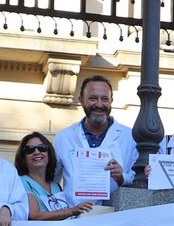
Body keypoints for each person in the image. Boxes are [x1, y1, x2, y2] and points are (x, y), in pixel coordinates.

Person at [55, 74, 137, 209]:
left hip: (115, 218)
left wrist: (121, 177)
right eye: (93, 98)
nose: (99, 104)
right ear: (81, 100)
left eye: (104, 99)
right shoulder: (64, 137)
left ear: (111, 100)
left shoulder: (131, 137)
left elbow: (139, 182)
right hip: (73, 220)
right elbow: (51, 183)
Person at [15, 131, 93, 221]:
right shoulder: (21, 181)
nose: (36, 152)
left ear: (49, 153)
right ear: (23, 158)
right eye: (29, 149)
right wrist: (71, 211)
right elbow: (34, 215)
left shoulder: (55, 185)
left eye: (42, 148)